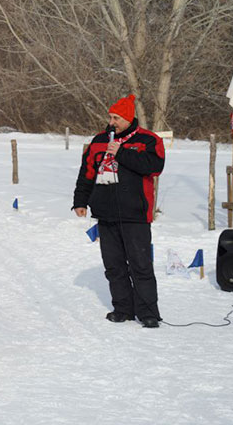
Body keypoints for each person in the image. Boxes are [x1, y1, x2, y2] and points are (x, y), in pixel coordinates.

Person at [72, 94, 165, 328]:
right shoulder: (99, 140)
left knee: (140, 265)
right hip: (106, 213)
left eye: (117, 118)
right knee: (114, 265)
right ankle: (122, 308)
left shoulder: (148, 140)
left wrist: (121, 152)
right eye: (110, 117)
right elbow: (87, 174)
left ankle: (148, 312)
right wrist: (80, 201)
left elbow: (154, 167)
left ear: (128, 118)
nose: (112, 121)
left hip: (135, 214)